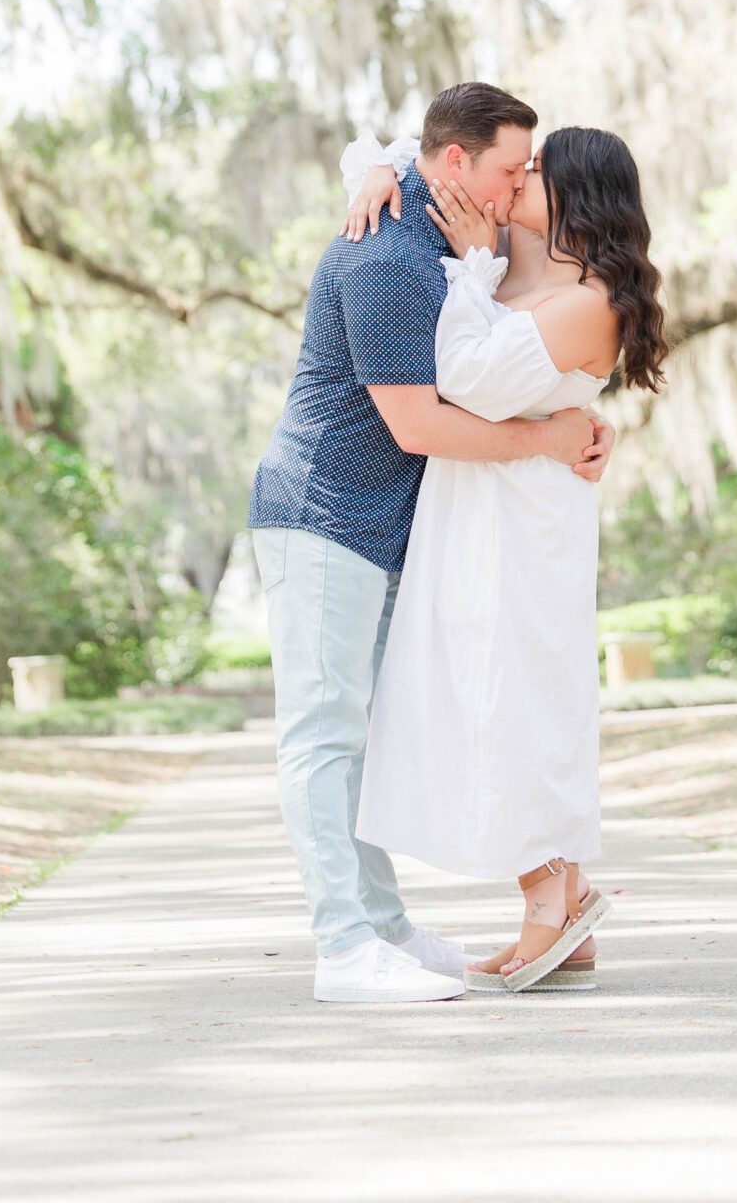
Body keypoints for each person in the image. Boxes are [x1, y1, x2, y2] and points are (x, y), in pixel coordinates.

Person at [247, 82, 615, 1005]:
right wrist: (548, 437)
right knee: (324, 735)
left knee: (358, 735)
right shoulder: (388, 257)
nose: (518, 184)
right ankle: (342, 950)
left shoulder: (444, 237)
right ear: (455, 163)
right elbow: (417, 426)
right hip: (325, 511)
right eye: (508, 168)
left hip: (382, 526)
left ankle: (383, 928)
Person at [345, 125, 668, 990]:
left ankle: (546, 905)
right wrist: (376, 169)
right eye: (514, 165)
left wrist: (475, 265)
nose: (516, 178)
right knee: (491, 693)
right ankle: (567, 896)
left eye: (534, 170)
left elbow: (468, 377)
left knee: (516, 695)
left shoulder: (589, 297)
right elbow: (408, 141)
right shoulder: (528, 260)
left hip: (523, 520)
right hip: (475, 503)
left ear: (573, 193)